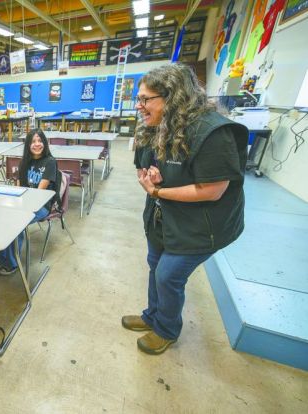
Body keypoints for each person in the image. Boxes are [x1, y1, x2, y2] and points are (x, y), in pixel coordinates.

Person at [122, 63, 248, 355]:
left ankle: (166, 329)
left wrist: (158, 190)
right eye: (138, 99)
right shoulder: (154, 126)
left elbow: (213, 190)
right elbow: (147, 164)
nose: (139, 106)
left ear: (172, 97)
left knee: (168, 275)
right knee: (155, 266)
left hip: (202, 224)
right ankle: (151, 316)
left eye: (145, 99)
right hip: (165, 216)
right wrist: (153, 174)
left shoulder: (211, 131)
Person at [0, 129, 56, 275]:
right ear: (28, 145)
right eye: (33, 141)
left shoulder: (50, 162)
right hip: (25, 202)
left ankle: (12, 263)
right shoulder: (24, 162)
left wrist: (21, 207)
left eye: (40, 141)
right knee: (3, 216)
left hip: (41, 205)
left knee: (16, 222)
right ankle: (2, 257)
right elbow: (20, 187)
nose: (37, 144)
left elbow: (39, 193)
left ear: (45, 143)